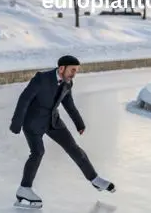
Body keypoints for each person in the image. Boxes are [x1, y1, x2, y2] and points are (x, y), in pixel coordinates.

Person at [9, 55, 115, 208]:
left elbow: (69, 104)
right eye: (72, 70)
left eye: (76, 71)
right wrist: (16, 123)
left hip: (53, 121)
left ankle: (95, 179)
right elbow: (24, 99)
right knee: (38, 152)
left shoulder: (68, 83)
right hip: (33, 122)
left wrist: (79, 123)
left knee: (74, 148)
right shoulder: (41, 79)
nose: (74, 74)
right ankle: (24, 189)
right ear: (61, 68)